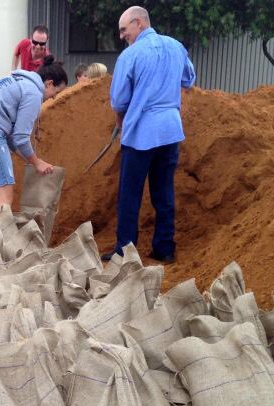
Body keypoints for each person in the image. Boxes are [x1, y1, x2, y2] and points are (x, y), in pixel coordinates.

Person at [102, 6, 195, 264]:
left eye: (124, 30)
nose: (122, 36)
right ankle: (165, 248)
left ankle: (125, 252)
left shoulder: (130, 56)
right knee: (164, 190)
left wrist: (122, 125)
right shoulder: (176, 47)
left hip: (141, 132)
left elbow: (119, 100)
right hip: (170, 130)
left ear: (139, 23)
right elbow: (189, 79)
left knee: (130, 194)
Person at [0, 56, 68, 217]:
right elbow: (20, 137)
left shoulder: (17, 80)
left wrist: (32, 161)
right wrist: (37, 162)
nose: (54, 97)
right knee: (4, 201)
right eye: (57, 91)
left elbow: (13, 140)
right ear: (49, 83)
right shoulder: (34, 92)